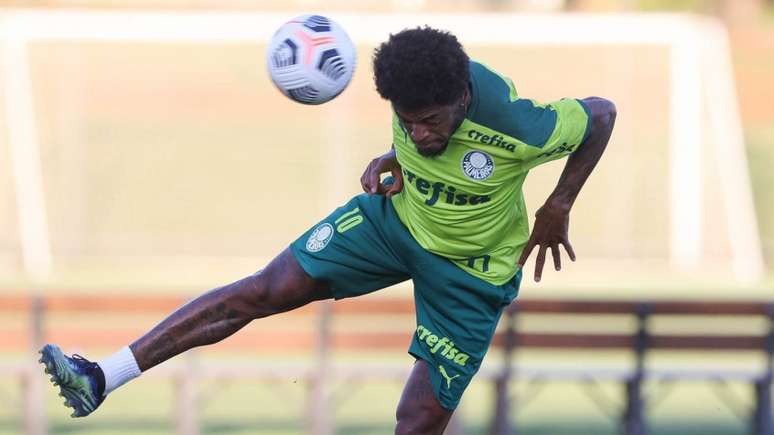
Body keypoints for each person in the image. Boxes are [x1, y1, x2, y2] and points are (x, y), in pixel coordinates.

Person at [39, 25, 616, 434]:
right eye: (406, 123)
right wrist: (394, 154)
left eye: (431, 124)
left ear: (462, 97)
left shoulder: (521, 126)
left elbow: (602, 113)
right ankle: (101, 377)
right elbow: (418, 133)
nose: (418, 135)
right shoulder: (416, 91)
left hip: (472, 269)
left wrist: (558, 204)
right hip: (393, 220)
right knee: (263, 289)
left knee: (417, 420)